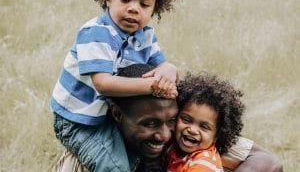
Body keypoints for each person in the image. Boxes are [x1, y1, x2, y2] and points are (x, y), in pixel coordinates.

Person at [50, 0, 180, 171]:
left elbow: (161, 66)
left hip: (109, 115)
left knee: (136, 162)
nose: (133, 9)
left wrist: (170, 69)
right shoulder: (97, 33)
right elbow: (104, 83)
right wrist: (152, 85)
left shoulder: (145, 35)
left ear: (154, 8)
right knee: (115, 167)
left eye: (144, 4)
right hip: (79, 120)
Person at [52, 64, 284, 172]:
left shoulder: (188, 135)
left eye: (171, 120)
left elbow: (269, 162)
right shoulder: (89, 157)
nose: (165, 135)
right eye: (149, 123)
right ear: (117, 115)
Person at [167, 73, 245, 172]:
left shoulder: (203, 164)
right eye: (186, 120)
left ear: (217, 136)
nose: (192, 130)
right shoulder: (174, 147)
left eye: (204, 127)